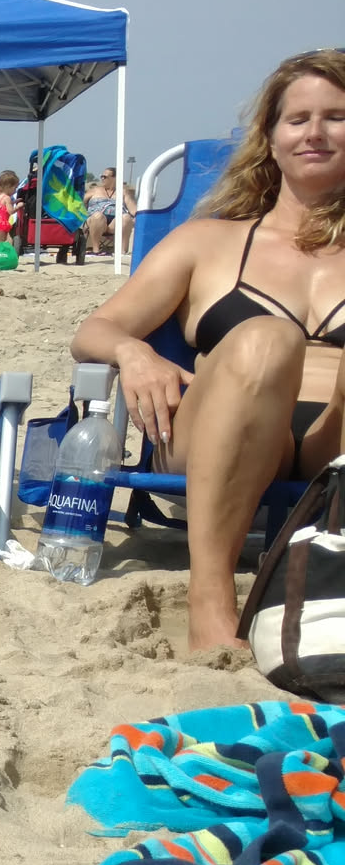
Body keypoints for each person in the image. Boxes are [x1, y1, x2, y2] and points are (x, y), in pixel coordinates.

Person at [71, 48, 345, 653]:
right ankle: (210, 596)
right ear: (270, 138)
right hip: (220, 425)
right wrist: (135, 354)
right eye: (298, 119)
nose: (315, 133)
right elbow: (94, 330)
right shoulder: (206, 242)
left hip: (335, 441)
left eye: (336, 117)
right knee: (268, 338)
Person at [87, 167, 124, 254]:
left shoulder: (123, 192)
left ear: (115, 178)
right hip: (95, 220)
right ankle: (96, 250)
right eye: (102, 176)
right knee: (98, 216)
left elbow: (133, 210)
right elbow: (79, 205)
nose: (102, 178)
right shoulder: (94, 191)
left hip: (115, 222)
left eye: (105, 177)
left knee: (125, 217)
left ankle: (123, 252)